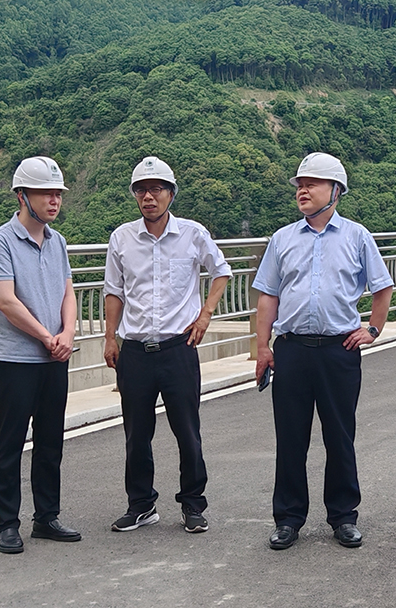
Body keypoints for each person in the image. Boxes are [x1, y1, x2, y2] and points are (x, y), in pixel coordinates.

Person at [253, 152, 393, 552]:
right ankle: (288, 519)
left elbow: (382, 287)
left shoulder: (357, 236)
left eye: (311, 184)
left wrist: (372, 329)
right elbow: (268, 296)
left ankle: (344, 517)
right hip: (292, 349)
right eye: (299, 184)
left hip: (338, 350)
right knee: (290, 439)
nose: (302, 190)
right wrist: (262, 347)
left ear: (335, 191)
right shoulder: (282, 239)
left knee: (340, 436)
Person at [103, 157, 232, 534]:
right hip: (135, 351)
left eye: (156, 189)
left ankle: (193, 504)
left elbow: (221, 271)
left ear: (171, 194)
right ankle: (141, 505)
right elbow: (114, 291)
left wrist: (206, 314)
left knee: (187, 432)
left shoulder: (193, 234)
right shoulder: (121, 238)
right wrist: (109, 337)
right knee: (136, 435)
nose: (148, 197)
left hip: (179, 349)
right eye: (141, 190)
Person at [0, 156, 80, 554]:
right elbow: (6, 301)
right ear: (22, 196)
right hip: (17, 360)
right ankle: (7, 524)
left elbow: (68, 292)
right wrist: (46, 336)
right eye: (45, 193)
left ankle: (46, 517)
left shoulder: (57, 242)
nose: (54, 200)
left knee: (50, 442)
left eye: (57, 193)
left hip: (54, 358)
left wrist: (68, 333)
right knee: (9, 444)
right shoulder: (0, 241)